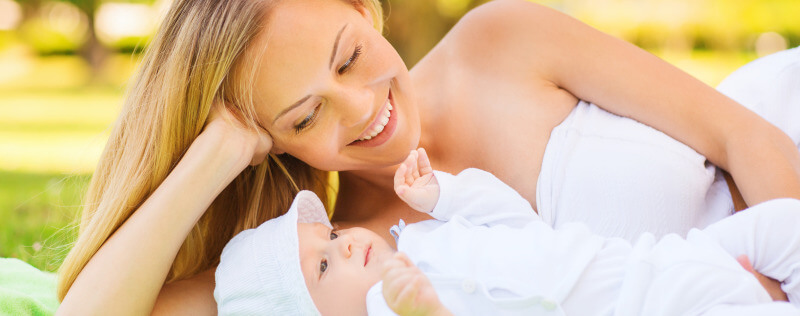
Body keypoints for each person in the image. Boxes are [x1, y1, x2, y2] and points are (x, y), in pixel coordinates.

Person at [55, 0, 800, 314]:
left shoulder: (498, 43)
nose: (364, 109)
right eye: (306, 114)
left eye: (349, 58)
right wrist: (216, 151)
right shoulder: (346, 265)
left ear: (360, 9)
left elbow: (746, 139)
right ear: (269, 142)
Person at [214, 148, 800, 315]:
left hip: (656, 261)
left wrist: (446, 195)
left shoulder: (423, 239)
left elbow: (515, 221)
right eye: (323, 267)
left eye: (332, 237)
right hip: (650, 309)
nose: (345, 246)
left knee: (783, 225)